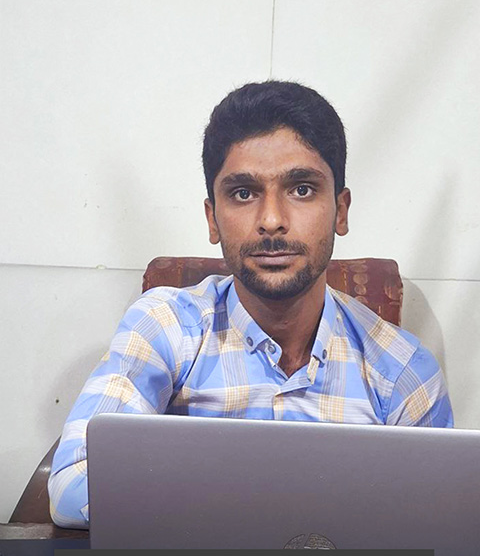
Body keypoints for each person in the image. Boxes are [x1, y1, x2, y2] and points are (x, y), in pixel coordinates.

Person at [48, 80, 453, 528]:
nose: (272, 221)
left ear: (340, 211)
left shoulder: (403, 373)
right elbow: (75, 485)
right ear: (213, 219)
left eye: (302, 189)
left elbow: (437, 528)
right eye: (243, 193)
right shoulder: (166, 327)